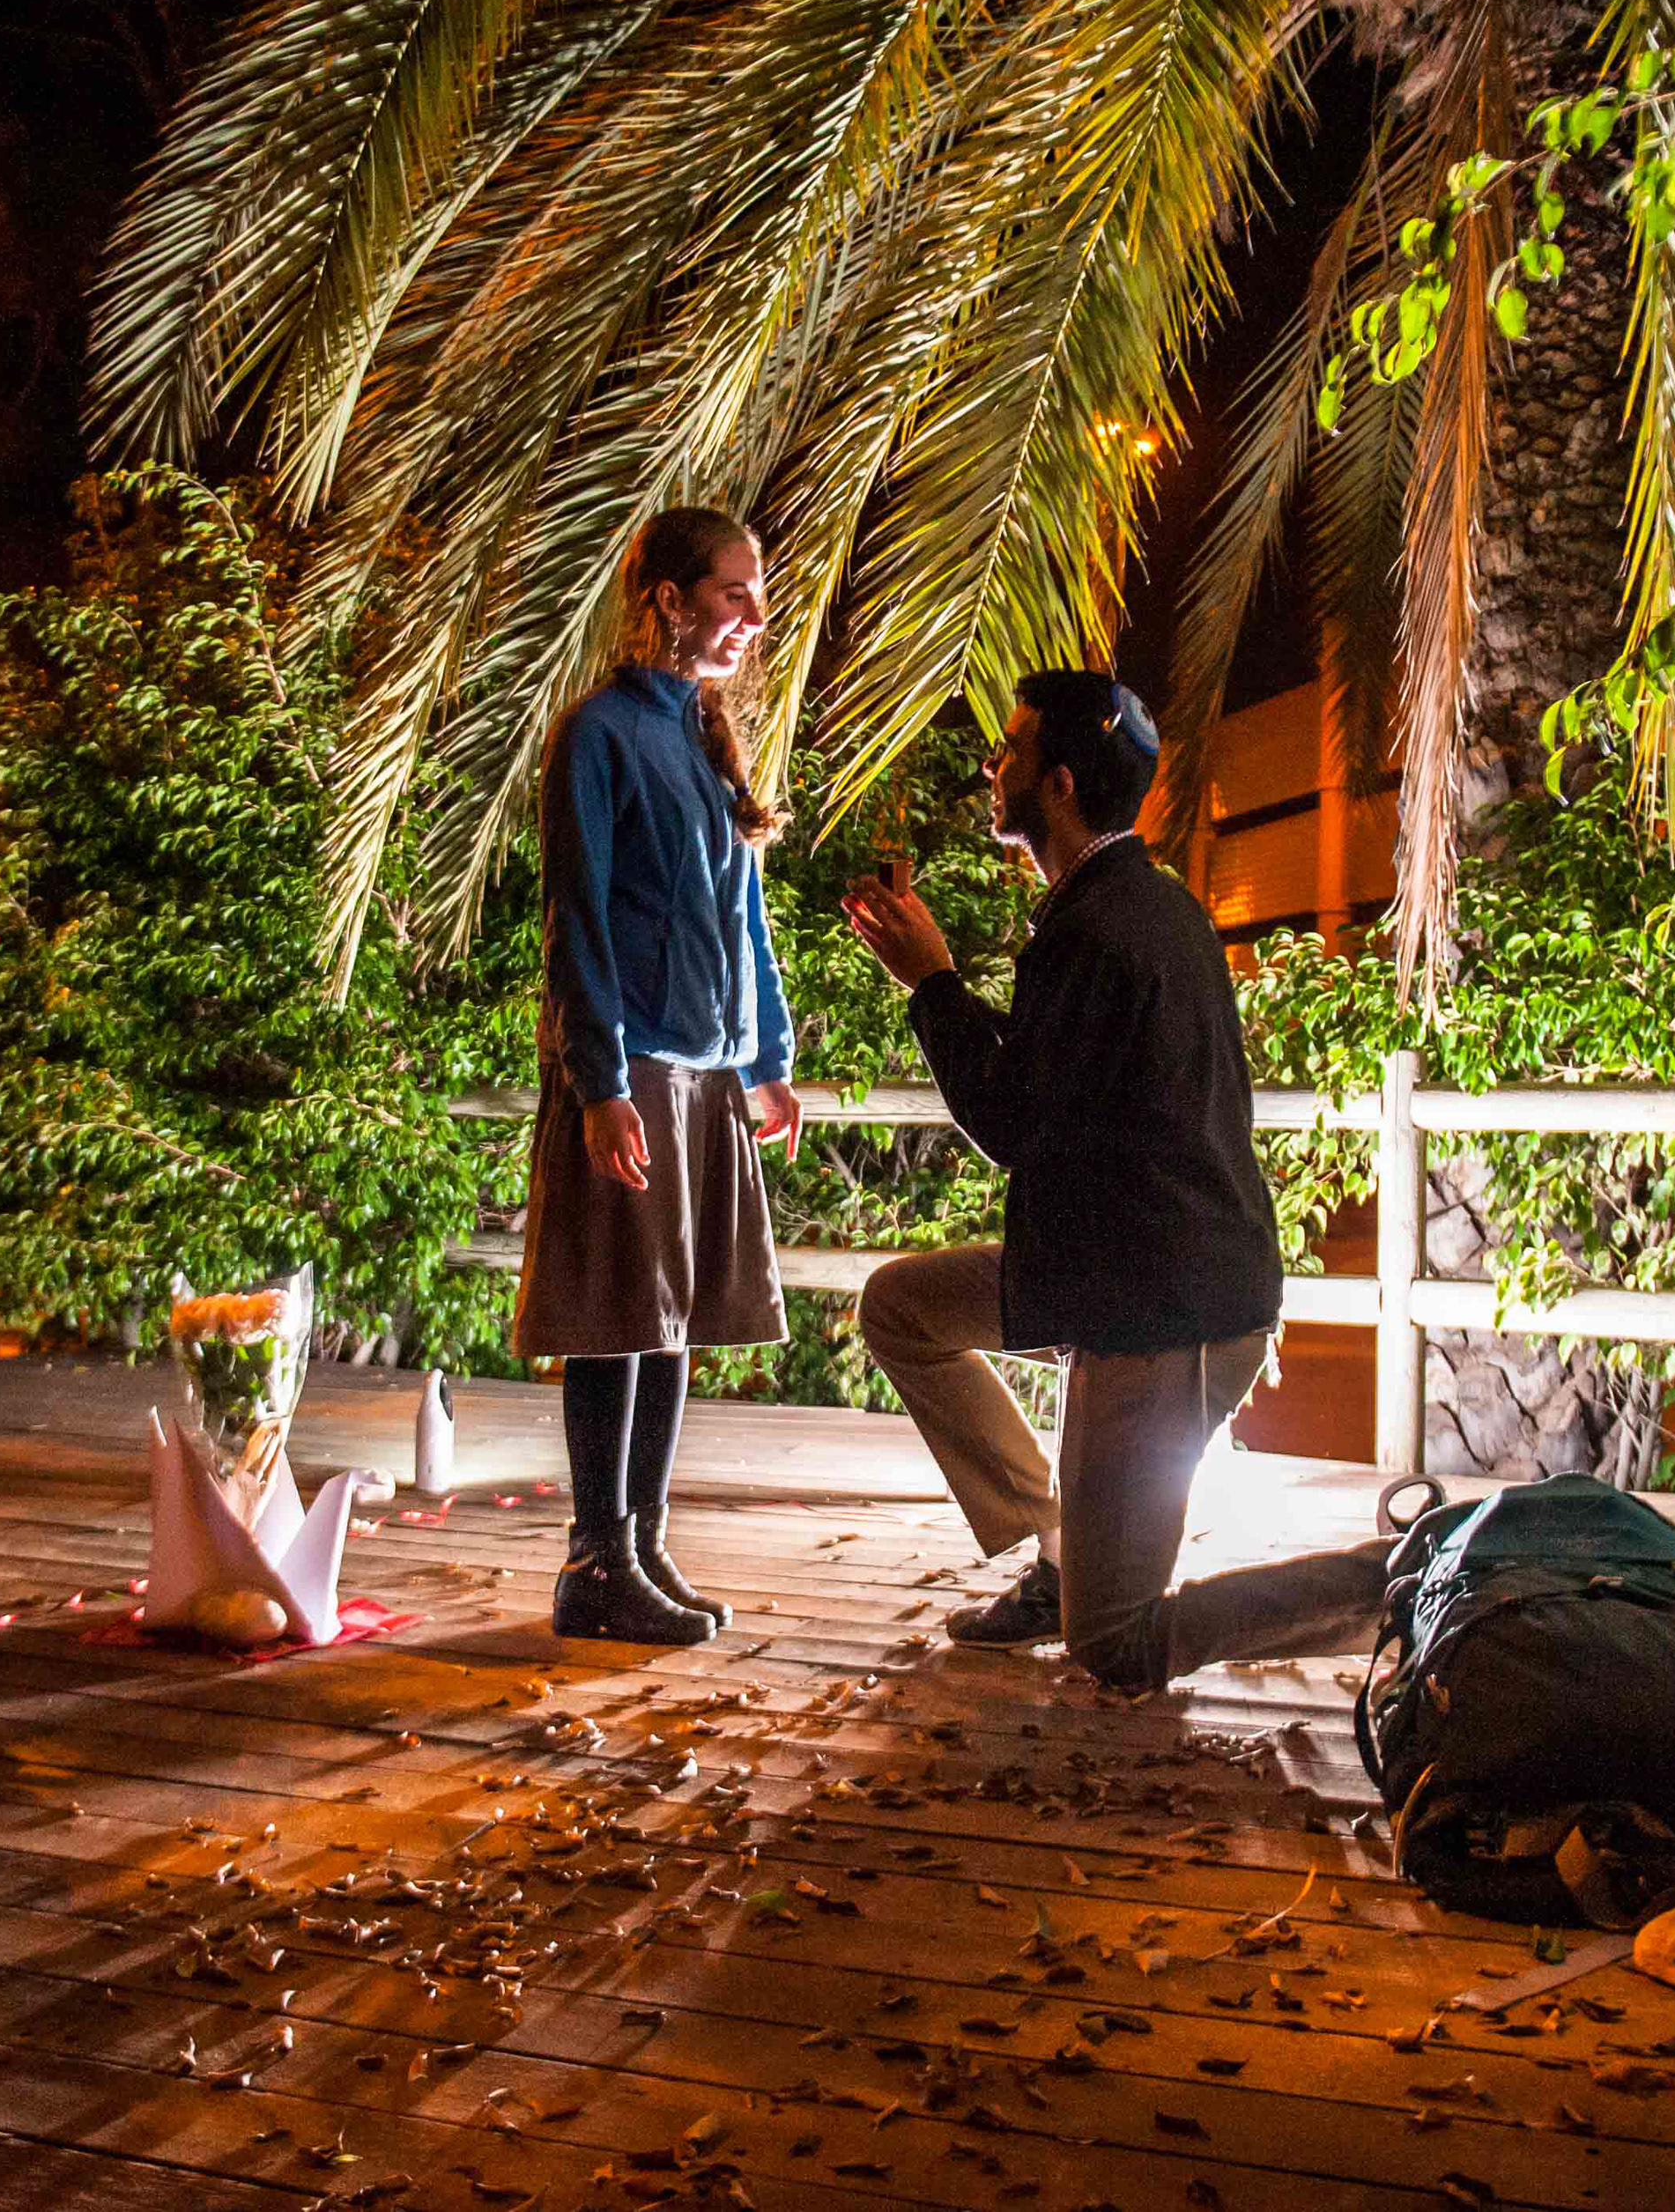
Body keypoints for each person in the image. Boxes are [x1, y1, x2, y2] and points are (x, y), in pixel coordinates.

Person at [840, 671, 1390, 1693]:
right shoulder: (1141, 905)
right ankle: (1056, 1546)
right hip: (1108, 1272)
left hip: (1164, 1318)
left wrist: (934, 984)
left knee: (1115, 1643)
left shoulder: (1101, 928)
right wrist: (940, 988)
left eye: (1009, 751)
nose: (991, 767)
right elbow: (1051, 1081)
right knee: (902, 1308)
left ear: (1055, 784)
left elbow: (1011, 1122)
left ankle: (1387, 1585)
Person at [512, 507, 804, 1646]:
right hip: (632, 1065)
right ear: (669, 600)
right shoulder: (597, 733)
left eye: (758, 595)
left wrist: (768, 1062)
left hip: (706, 1071)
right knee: (618, 1314)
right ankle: (597, 1558)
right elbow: (576, 918)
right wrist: (600, 1083)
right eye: (734, 592)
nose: (754, 617)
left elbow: (745, 922)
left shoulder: (703, 735)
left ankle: (644, 1544)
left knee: (671, 1315)